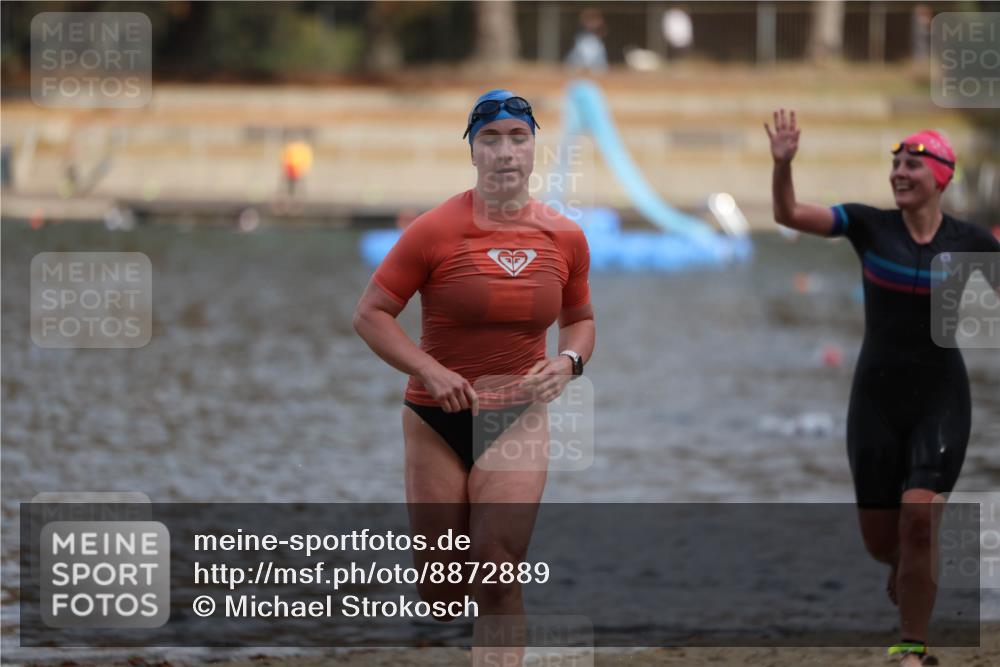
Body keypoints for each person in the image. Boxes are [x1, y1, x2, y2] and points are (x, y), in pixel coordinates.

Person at [353, 89, 595, 663]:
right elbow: (370, 316)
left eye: (518, 137)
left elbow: (581, 320)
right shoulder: (434, 231)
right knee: (440, 591)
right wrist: (429, 370)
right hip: (436, 419)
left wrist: (568, 363)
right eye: (490, 139)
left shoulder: (565, 237)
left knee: (495, 567)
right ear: (473, 151)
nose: (506, 152)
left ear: (534, 147)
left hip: (517, 416)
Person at [766, 110, 999, 666]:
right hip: (874, 402)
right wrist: (783, 166)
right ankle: (901, 565)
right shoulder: (870, 226)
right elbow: (789, 213)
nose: (898, 171)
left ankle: (911, 648)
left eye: (911, 163)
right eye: (894, 163)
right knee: (881, 543)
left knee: (920, 518)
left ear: (940, 176)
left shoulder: (972, 243)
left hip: (941, 400)